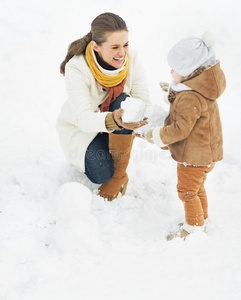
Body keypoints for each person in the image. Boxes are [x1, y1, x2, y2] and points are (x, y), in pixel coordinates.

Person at [56, 12, 150, 201]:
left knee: (126, 103)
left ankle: (118, 177)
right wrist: (114, 119)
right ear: (96, 47)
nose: (122, 53)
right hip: (82, 128)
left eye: (125, 45)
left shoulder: (132, 58)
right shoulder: (77, 67)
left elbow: (143, 103)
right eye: (114, 47)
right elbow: (83, 118)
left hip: (117, 125)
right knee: (100, 174)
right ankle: (110, 169)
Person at [141, 32, 226, 239]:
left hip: (195, 157)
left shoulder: (190, 97)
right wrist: (172, 90)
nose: (171, 71)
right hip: (204, 153)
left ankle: (193, 228)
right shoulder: (198, 89)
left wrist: (154, 135)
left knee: (186, 191)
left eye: (176, 70)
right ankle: (200, 218)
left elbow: (181, 129)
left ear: (191, 73)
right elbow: (185, 99)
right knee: (196, 188)